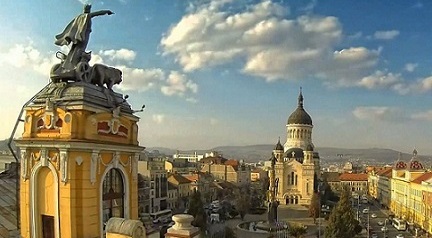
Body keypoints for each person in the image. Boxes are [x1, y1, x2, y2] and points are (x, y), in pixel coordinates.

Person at [55, 4, 114, 69]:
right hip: (84, 35)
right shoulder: (87, 16)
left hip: (76, 36)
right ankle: (73, 64)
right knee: (80, 49)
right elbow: (98, 13)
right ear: (88, 10)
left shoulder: (78, 17)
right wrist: (107, 11)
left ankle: (68, 63)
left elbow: (70, 26)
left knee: (74, 49)